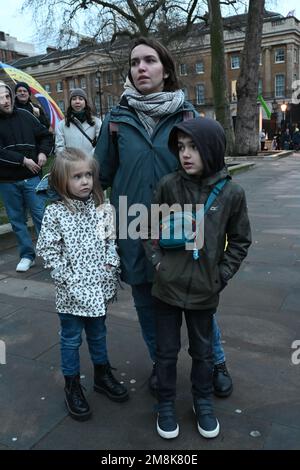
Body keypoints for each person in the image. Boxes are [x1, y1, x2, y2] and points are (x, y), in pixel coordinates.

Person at [95, 37, 232, 398]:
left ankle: (215, 362)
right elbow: (99, 177)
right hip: (134, 225)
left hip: (183, 226)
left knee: (198, 304)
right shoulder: (116, 120)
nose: (140, 67)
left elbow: (211, 173)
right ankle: (162, 363)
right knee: (145, 304)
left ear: (166, 69)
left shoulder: (188, 116)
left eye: (149, 60)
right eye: (135, 62)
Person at [144, 117, 251, 439]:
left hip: (205, 291)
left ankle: (202, 401)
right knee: (165, 352)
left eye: (193, 147)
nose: (185, 154)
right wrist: (158, 264)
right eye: (181, 148)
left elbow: (241, 240)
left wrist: (221, 275)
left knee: (203, 353)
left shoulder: (232, 193)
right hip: (166, 289)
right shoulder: (168, 185)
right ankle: (165, 403)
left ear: (213, 149)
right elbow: (148, 230)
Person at [36, 148, 129, 421]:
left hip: (98, 288)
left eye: (89, 174)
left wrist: (111, 266)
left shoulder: (102, 208)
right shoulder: (56, 213)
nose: (85, 181)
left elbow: (111, 242)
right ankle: (72, 385)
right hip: (72, 292)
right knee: (71, 339)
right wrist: (67, 278)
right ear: (63, 180)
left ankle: (102, 374)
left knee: (99, 334)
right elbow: (48, 250)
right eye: (77, 176)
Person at [0, 81, 53, 272]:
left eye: (7, 96)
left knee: (41, 216)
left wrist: (43, 153)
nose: (5, 101)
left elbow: (45, 136)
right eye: (0, 98)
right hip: (7, 181)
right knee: (17, 220)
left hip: (32, 178)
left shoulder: (26, 116)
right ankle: (27, 255)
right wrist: (23, 160)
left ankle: (50, 255)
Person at [55, 88, 101, 157]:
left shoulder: (97, 122)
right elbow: (59, 147)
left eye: (81, 99)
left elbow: (101, 144)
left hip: (91, 164)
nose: (77, 101)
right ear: (70, 103)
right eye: (74, 99)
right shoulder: (61, 125)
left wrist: (89, 160)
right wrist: (71, 161)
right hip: (70, 165)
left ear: (85, 102)